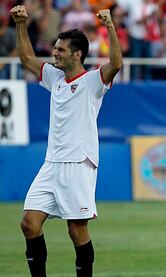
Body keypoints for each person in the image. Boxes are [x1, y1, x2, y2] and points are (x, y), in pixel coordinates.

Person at [10, 5, 122, 276]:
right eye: (55, 48)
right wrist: (20, 24)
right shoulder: (54, 77)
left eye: (60, 50)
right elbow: (26, 58)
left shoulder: (93, 81)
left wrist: (109, 26)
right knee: (29, 223)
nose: (54, 53)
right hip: (51, 164)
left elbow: (117, 63)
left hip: (78, 164)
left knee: (76, 229)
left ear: (77, 54)